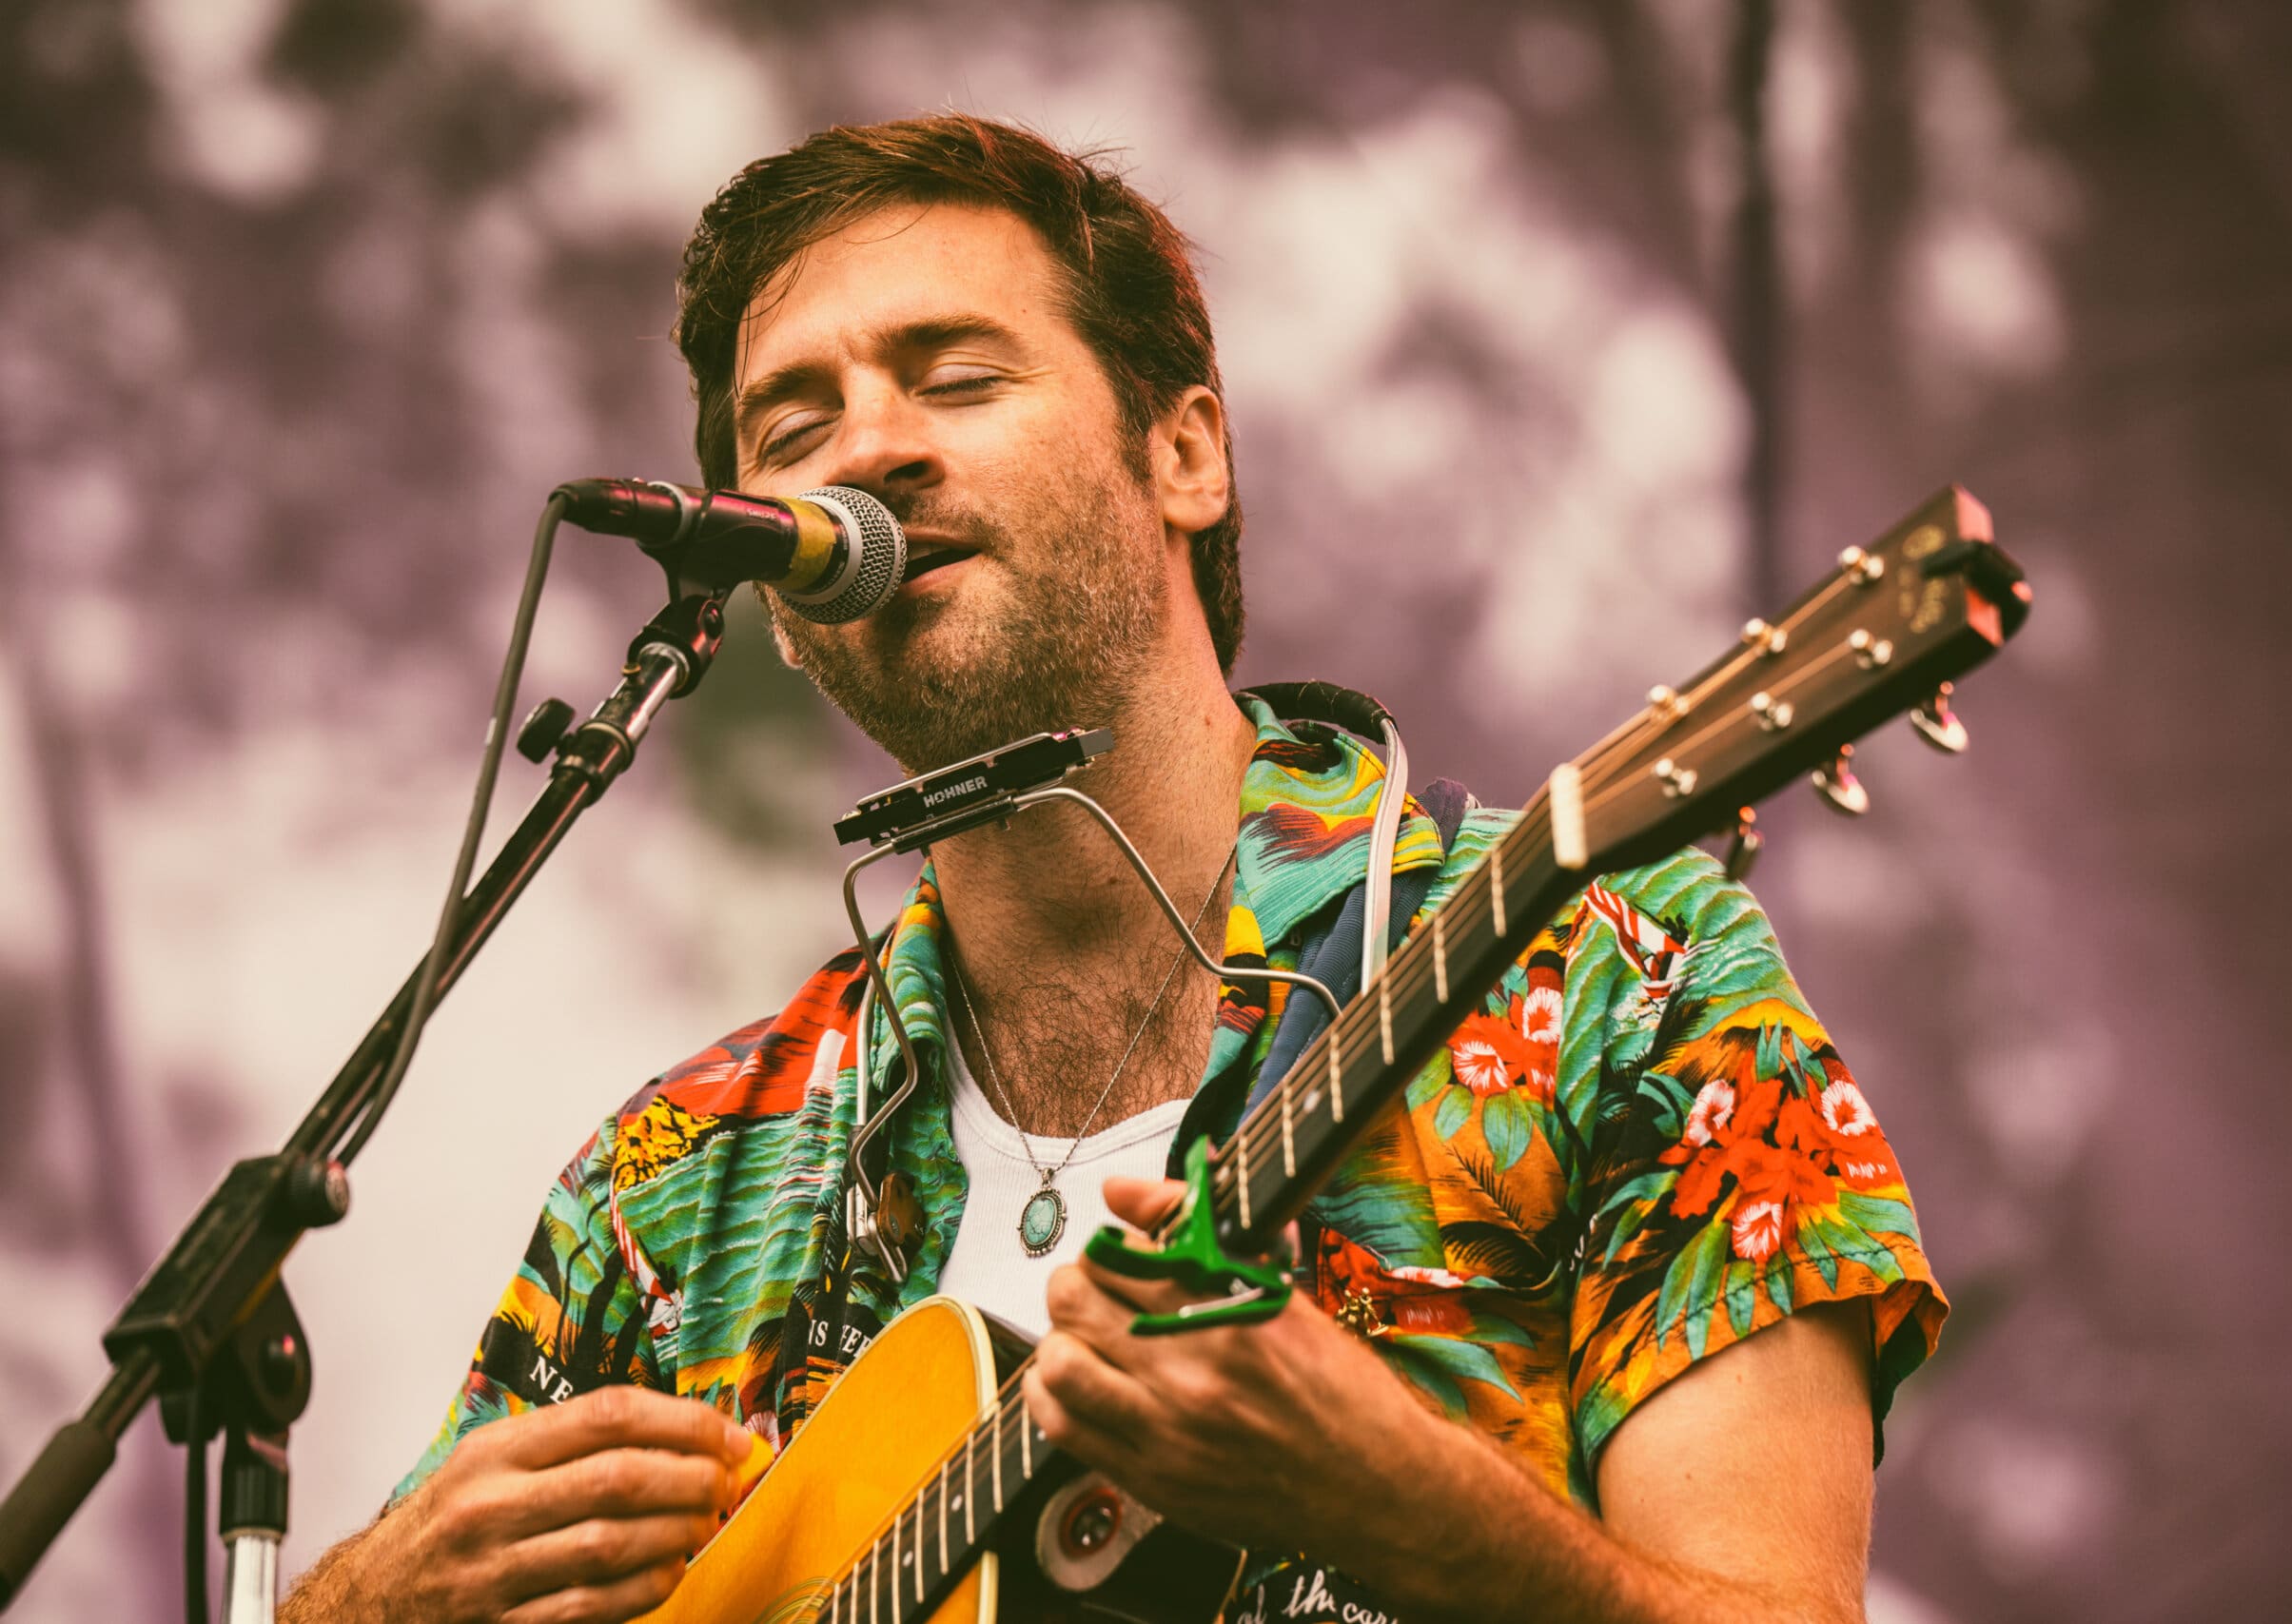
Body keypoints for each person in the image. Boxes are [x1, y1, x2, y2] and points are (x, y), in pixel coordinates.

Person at [280, 114, 1945, 1624]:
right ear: (777, 606)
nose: (867, 450)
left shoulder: (1614, 977)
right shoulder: (670, 1186)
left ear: (1187, 454)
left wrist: (1411, 1506)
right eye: (797, 422)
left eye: (955, 376)